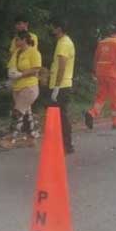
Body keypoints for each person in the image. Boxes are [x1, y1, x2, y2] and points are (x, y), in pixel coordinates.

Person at [84, 25, 116, 130]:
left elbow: (96, 58)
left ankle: (92, 113)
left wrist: (95, 72)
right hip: (114, 74)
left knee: (101, 96)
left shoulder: (102, 42)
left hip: (101, 73)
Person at [3, 31, 43, 148]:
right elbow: (11, 67)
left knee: (17, 113)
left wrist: (20, 74)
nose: (15, 42)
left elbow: (35, 69)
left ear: (24, 40)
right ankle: (32, 138)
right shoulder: (17, 52)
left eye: (17, 40)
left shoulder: (34, 52)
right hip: (17, 87)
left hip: (29, 87)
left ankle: (10, 139)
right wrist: (11, 73)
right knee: (26, 114)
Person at [47, 21, 76, 154]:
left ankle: (67, 145)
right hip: (60, 83)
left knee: (62, 116)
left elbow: (62, 66)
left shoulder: (64, 43)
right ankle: (61, 144)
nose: (51, 29)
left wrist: (57, 87)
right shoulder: (63, 41)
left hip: (61, 85)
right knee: (58, 115)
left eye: (53, 27)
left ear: (59, 28)